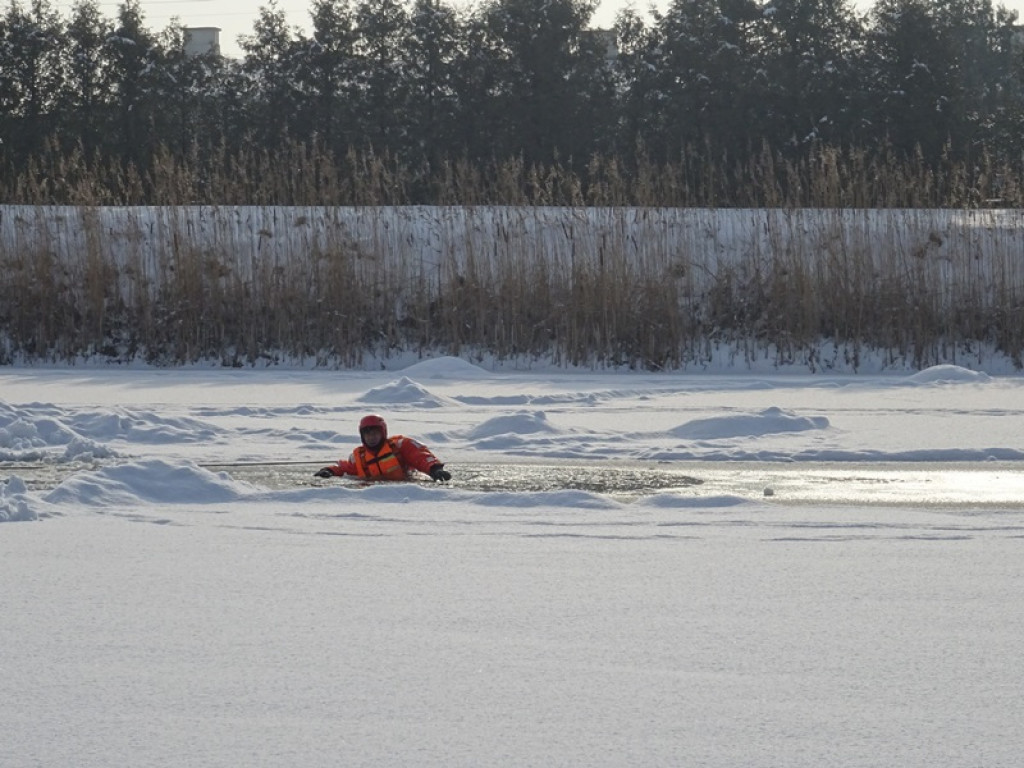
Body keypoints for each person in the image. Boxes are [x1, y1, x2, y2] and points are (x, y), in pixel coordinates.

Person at [314, 414, 452, 482]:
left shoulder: (400, 445)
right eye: (367, 434)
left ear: (383, 432)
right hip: (372, 497)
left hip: (404, 495)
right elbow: (345, 468)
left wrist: (435, 469)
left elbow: (421, 456)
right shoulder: (359, 457)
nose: (371, 437)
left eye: (375, 433)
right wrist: (329, 470)